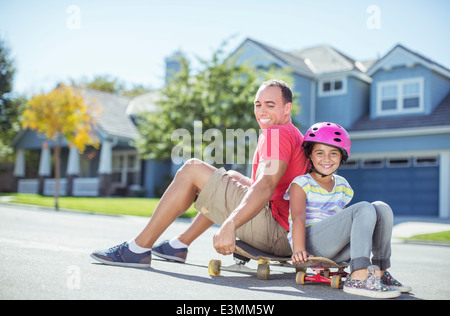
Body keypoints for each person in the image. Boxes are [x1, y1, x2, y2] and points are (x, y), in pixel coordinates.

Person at [90, 79, 309, 267]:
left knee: (191, 169)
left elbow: (266, 185)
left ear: (286, 108)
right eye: (258, 104)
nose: (261, 111)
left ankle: (137, 249)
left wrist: (230, 223)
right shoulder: (291, 133)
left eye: (270, 105)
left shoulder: (276, 135)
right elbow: (269, 187)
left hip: (278, 234)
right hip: (286, 233)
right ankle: (179, 245)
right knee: (230, 178)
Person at [284, 122, 411, 298]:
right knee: (364, 207)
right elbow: (297, 218)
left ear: (342, 156)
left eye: (333, 153)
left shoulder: (342, 184)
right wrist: (298, 249)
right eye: (319, 153)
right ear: (310, 156)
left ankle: (379, 273)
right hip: (311, 243)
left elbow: (343, 219)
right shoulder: (301, 183)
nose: (326, 159)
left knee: (382, 208)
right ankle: (358, 276)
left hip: (336, 247)